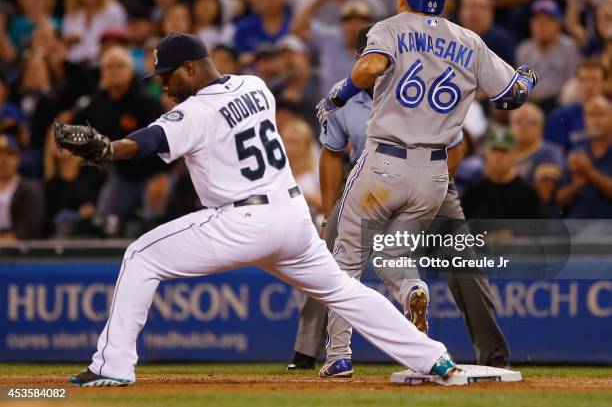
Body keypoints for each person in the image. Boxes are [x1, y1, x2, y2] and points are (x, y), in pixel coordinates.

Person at [61, 32, 458, 387]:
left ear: (190, 67)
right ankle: (432, 357)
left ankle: (112, 364)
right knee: (343, 290)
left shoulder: (195, 111)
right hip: (292, 219)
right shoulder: (256, 86)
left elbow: (149, 140)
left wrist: (109, 148)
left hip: (241, 221)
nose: (163, 84)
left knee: (140, 255)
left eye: (168, 75)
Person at [316, 0, 536, 378]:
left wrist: (341, 95)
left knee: (346, 258)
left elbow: (369, 69)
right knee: (392, 253)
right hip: (434, 176)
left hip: (384, 168)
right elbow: (511, 98)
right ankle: (412, 290)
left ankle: (339, 355)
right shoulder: (469, 40)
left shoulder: (390, 28)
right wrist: (527, 76)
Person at [287, 26, 509, 371]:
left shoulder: (397, 85)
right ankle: (306, 351)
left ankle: (493, 354)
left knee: (461, 261)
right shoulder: (356, 95)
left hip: (415, 178)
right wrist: (330, 213)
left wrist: (432, 186)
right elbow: (331, 153)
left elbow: (457, 147)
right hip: (380, 179)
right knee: (332, 253)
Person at [75, 46, 165, 219]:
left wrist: (163, 175)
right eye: (109, 67)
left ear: (131, 72)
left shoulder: (146, 101)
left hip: (153, 172)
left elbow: (168, 137)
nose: (114, 71)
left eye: (120, 66)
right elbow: (80, 129)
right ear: (102, 73)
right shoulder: (97, 102)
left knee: (155, 220)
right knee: (103, 220)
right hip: (122, 175)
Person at [515, 0, 582, 110]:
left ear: (558, 24)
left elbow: (574, 81)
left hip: (558, 102)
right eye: (537, 21)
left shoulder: (569, 48)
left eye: (546, 21)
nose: (541, 26)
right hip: (529, 103)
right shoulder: (524, 48)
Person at [462, 126, 541, 219]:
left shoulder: (528, 195)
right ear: (486, 153)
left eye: (504, 151)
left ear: (514, 155)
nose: (498, 156)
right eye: (494, 150)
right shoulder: (473, 194)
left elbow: (536, 231)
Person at [557, 96, 612, 218]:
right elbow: (559, 200)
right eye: (590, 116)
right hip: (573, 223)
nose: (595, 121)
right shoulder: (576, 152)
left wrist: (590, 173)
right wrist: (576, 186)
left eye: (600, 115)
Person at [62, 0, 127, 65]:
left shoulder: (114, 11)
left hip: (103, 64)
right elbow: (66, 48)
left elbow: (120, 44)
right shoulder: (71, 15)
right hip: (75, 66)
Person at [510, 103, 564, 217]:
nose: (523, 126)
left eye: (530, 122)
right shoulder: (505, 153)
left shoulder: (549, 153)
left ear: (541, 128)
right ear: (510, 127)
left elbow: (543, 196)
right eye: (518, 121)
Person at [545, 60, 606, 153]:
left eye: (594, 80)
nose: (589, 86)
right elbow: (555, 152)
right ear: (577, 83)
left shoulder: (609, 114)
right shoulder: (560, 115)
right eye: (583, 80)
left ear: (604, 83)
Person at [0, 134, 45, 239]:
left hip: (20, 253)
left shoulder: (30, 190)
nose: (3, 159)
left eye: (9, 153)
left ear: (18, 158)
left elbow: (27, 231)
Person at [458, 0, 516, 66]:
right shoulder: (451, 37)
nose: (475, 12)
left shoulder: (502, 42)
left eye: (481, 7)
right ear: (460, 12)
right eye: (470, 7)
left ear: (491, 12)